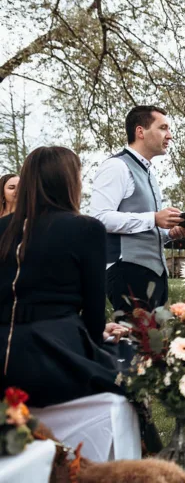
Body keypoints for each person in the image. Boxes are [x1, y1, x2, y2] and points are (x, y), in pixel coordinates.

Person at [0, 147, 128, 407]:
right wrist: (95, 337)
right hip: (51, 355)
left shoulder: (2, 228)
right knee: (128, 366)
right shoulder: (86, 228)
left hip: (3, 349)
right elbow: (93, 314)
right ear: (68, 181)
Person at [90, 105, 185, 315]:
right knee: (134, 343)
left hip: (154, 274)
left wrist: (169, 233)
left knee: (152, 346)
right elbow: (99, 219)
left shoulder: (149, 173)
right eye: (163, 128)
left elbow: (147, 226)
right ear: (140, 132)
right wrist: (154, 218)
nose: (169, 136)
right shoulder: (117, 167)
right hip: (128, 272)